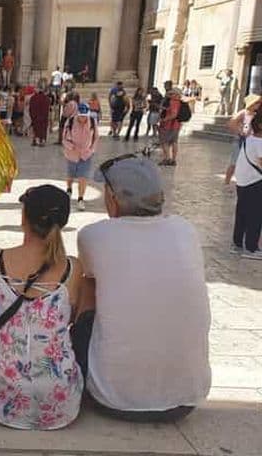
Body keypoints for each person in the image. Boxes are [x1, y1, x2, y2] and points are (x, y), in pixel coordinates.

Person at [76, 155, 211, 421]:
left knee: (88, 285)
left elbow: (87, 294)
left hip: (112, 397)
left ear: (112, 198)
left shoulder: (94, 236)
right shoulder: (186, 231)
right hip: (185, 400)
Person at [0, 185, 84, 430]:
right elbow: (70, 319)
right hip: (58, 394)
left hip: (0, 386)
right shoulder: (73, 269)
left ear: (24, 218)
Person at [228, 97, 262, 259]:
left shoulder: (249, 139)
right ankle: (251, 248)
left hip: (242, 181)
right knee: (255, 215)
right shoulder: (259, 143)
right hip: (254, 182)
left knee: (241, 212)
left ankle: (237, 244)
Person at [63, 103, 99, 211]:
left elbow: (96, 137)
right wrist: (71, 146)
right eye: (81, 115)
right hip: (72, 154)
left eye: (85, 116)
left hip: (86, 155)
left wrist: (91, 150)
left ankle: (80, 199)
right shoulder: (70, 122)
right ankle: (69, 189)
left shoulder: (92, 122)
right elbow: (64, 138)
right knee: (71, 175)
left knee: (83, 177)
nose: (83, 118)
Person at [158, 87, 183, 166]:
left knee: (165, 142)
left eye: (171, 94)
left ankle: (167, 159)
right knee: (174, 142)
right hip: (177, 125)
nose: (170, 95)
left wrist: (164, 119)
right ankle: (173, 159)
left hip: (169, 125)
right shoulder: (180, 102)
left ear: (176, 94)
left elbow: (174, 114)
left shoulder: (173, 102)